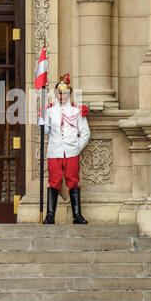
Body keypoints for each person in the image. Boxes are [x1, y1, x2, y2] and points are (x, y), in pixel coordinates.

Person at [39, 73, 91, 225]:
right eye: (60, 93)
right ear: (56, 94)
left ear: (70, 94)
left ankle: (77, 216)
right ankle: (50, 216)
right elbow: (47, 131)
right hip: (55, 151)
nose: (62, 96)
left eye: (66, 93)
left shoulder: (76, 110)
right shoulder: (49, 110)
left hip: (71, 152)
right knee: (54, 182)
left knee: (73, 182)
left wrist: (76, 148)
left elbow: (85, 133)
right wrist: (41, 123)